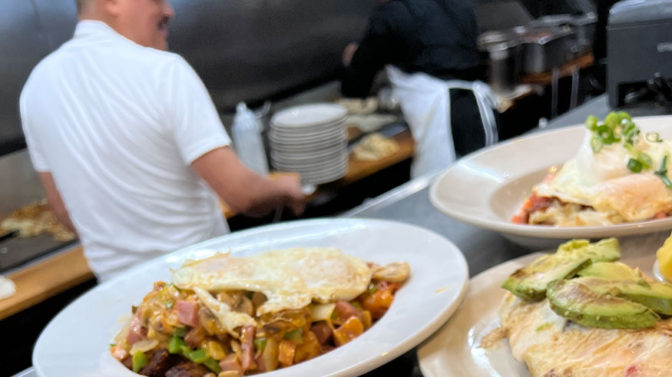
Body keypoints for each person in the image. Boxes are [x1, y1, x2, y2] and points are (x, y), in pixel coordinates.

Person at [19, 0, 307, 280]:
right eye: (156, 0)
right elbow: (244, 196)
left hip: (119, 301)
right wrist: (285, 187)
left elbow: (62, 210)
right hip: (201, 292)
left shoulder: (36, 87)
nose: (168, 10)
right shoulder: (163, 70)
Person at [341, 0, 499, 180]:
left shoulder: (390, 14)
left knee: (441, 194)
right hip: (479, 111)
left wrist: (352, 60)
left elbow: (356, 86)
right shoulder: (455, 4)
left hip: (442, 122)